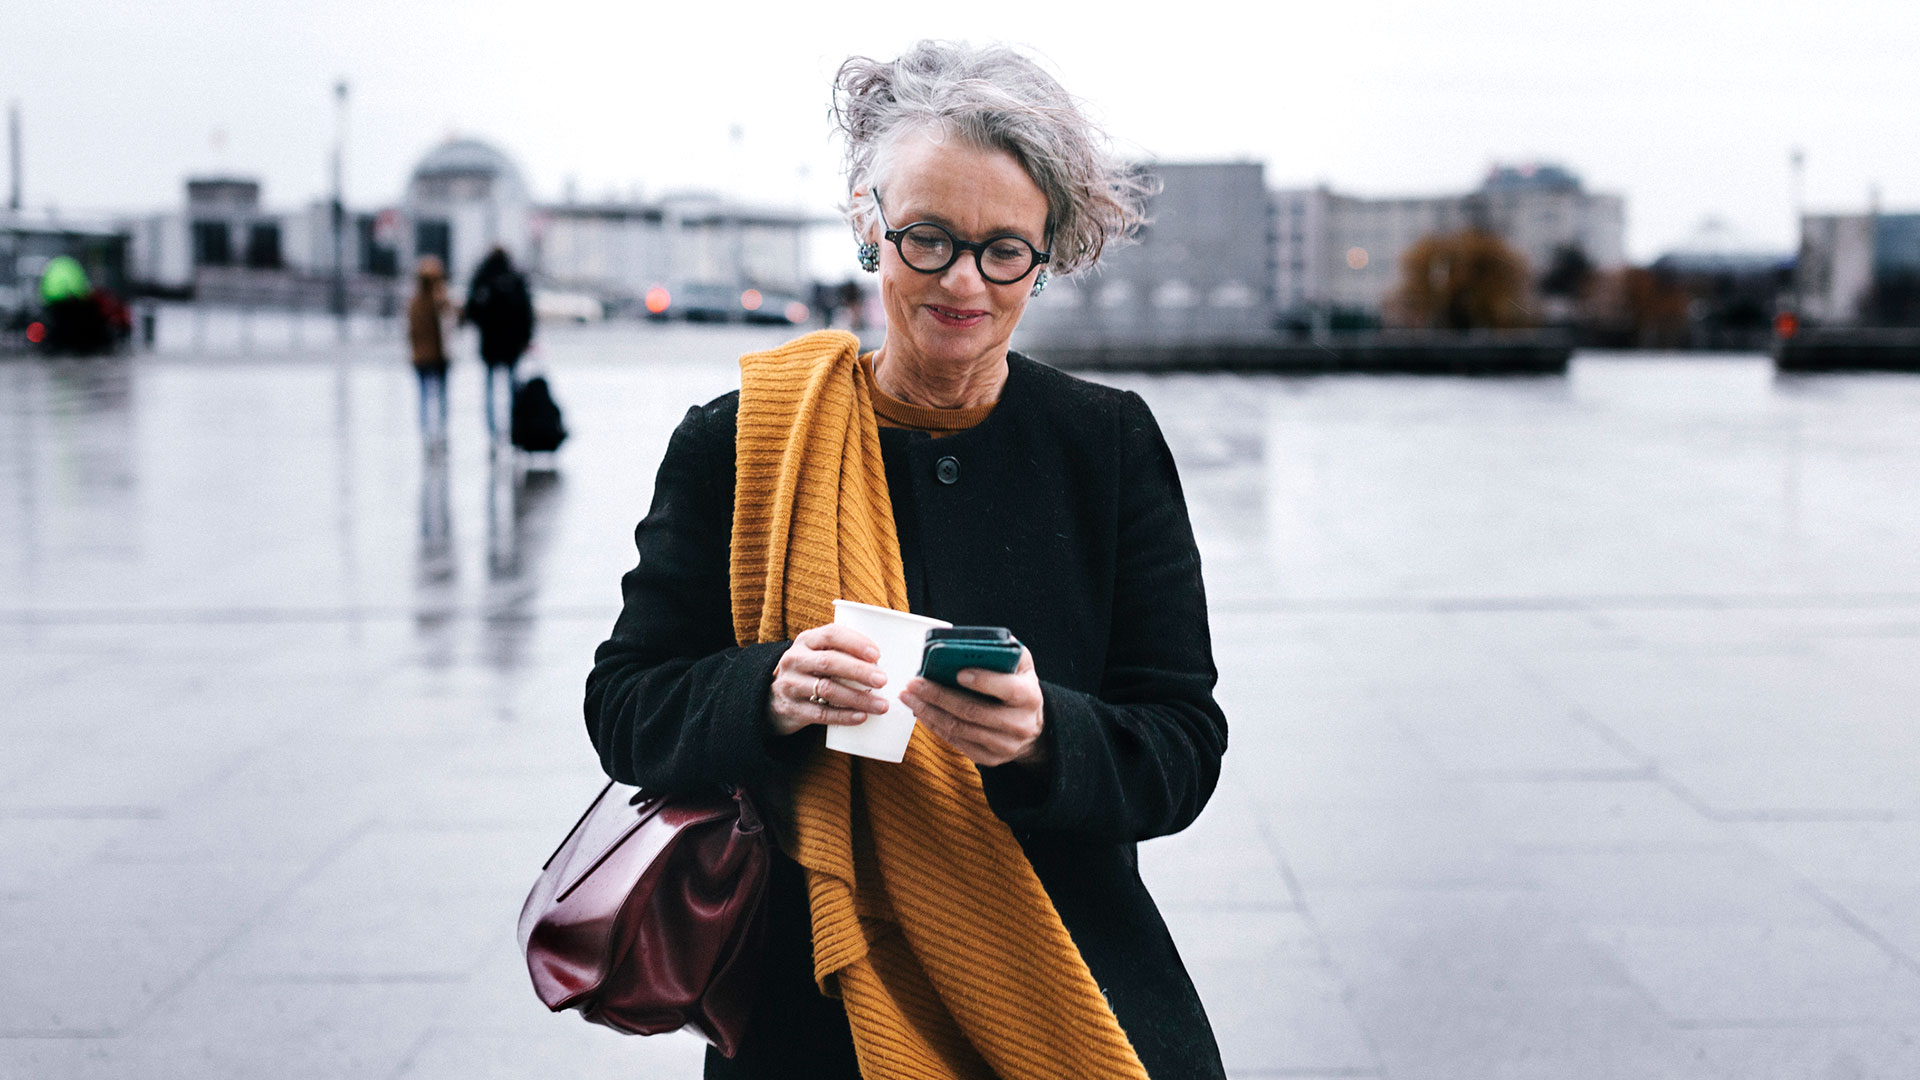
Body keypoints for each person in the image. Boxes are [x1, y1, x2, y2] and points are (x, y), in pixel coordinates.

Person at [585, 41, 1225, 1080]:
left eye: (1004, 248)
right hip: (811, 1016)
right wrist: (770, 689)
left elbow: (1183, 746)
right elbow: (623, 708)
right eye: (927, 237)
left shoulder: (1105, 445)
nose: (963, 280)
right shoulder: (742, 441)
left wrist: (1045, 736)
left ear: (1045, 253)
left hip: (1064, 988)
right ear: (866, 223)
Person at [461, 246, 535, 442]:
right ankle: (512, 426)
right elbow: (527, 313)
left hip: (490, 344)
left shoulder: (483, 278)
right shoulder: (515, 278)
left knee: (490, 389)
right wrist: (527, 338)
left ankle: (493, 431)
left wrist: (485, 323)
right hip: (512, 344)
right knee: (512, 388)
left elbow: (471, 311)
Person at [407, 256, 451, 447]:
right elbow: (448, 327)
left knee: (424, 395)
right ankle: (440, 429)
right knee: (440, 395)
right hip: (438, 356)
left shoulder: (415, 303)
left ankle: (426, 430)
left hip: (421, 357)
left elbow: (411, 332)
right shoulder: (439, 301)